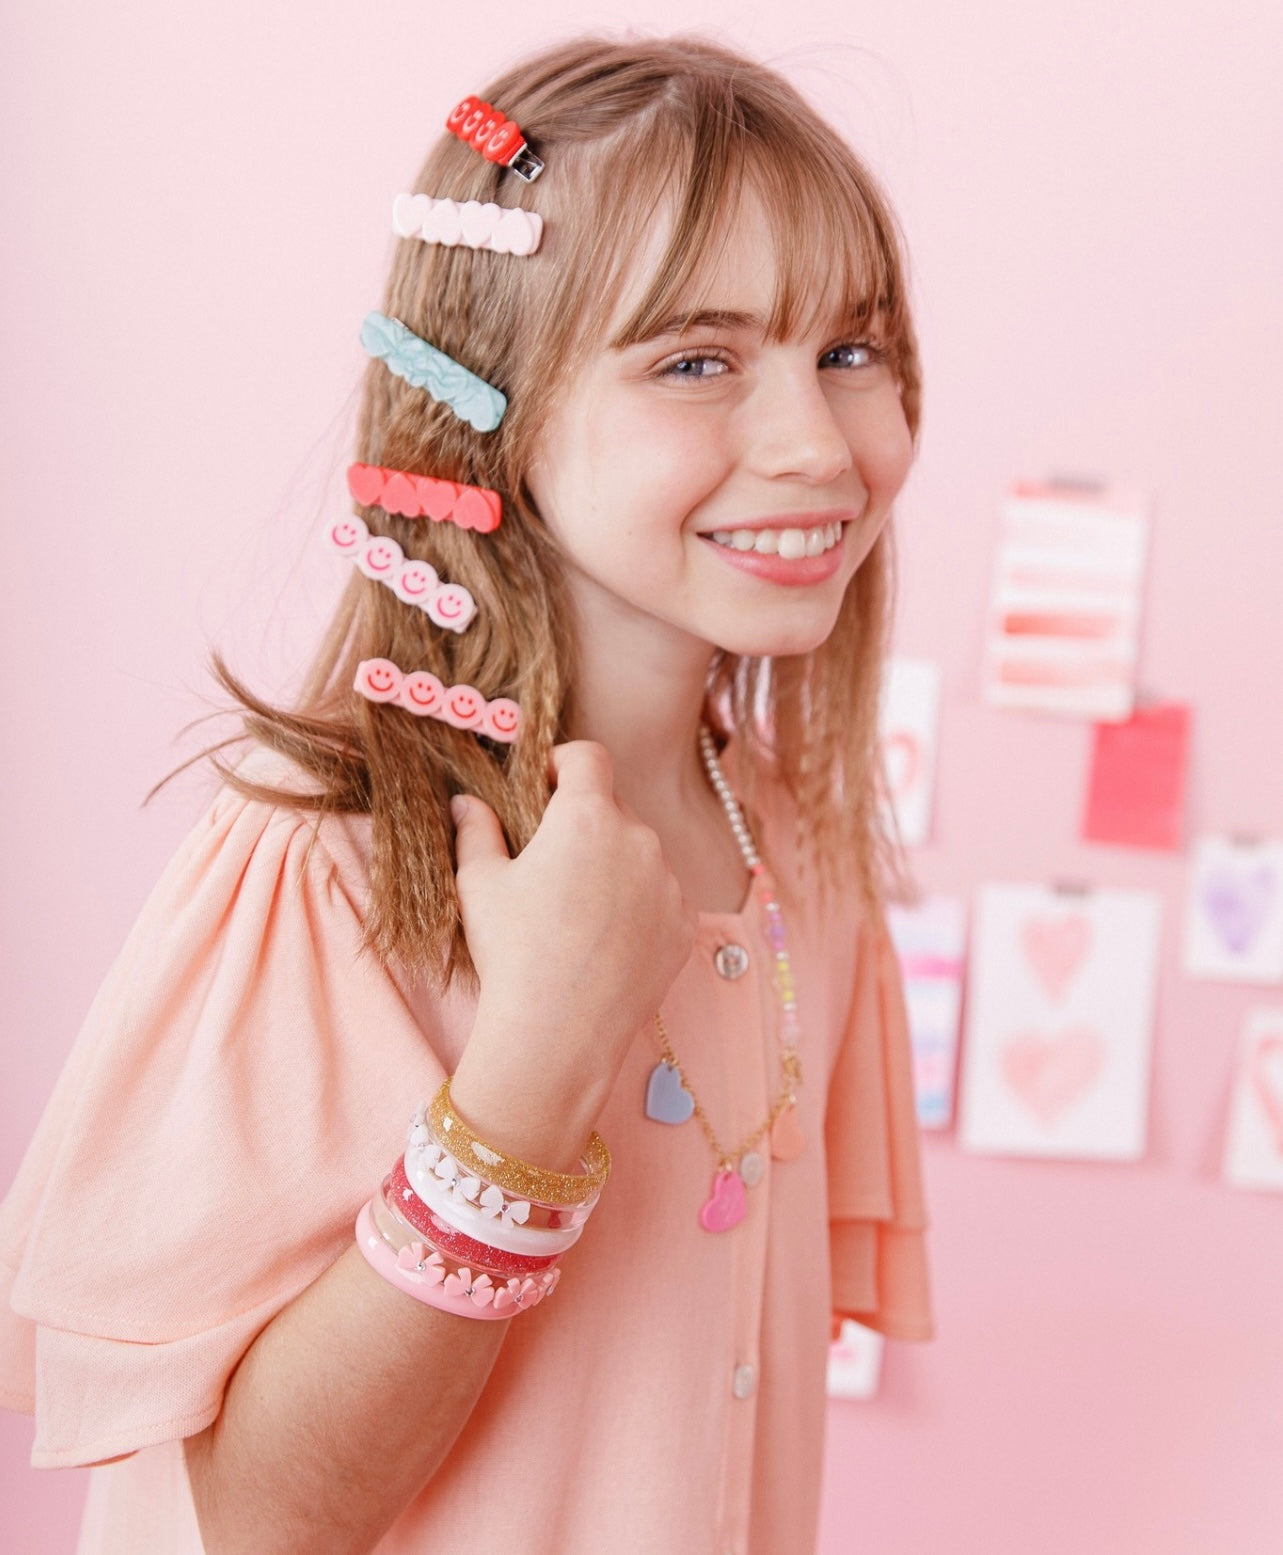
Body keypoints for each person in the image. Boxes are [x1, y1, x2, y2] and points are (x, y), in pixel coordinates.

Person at [0, 33, 933, 1555]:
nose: (817, 444)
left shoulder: (800, 853)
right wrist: (529, 1070)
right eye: (697, 360)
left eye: (851, 351)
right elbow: (252, 1519)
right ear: (482, 412)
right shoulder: (326, 868)